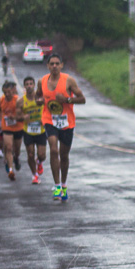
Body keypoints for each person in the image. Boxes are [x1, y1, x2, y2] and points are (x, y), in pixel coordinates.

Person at [37, 53, 85, 201]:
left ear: (62, 65)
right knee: (53, 149)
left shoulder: (68, 81)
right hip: (49, 119)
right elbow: (38, 96)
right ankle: (57, 186)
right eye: (52, 64)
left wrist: (67, 99)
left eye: (57, 63)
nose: (55, 66)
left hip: (66, 122)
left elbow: (82, 99)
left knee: (64, 155)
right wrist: (39, 101)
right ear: (48, 66)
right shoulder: (42, 81)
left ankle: (64, 185)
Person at [20, 76, 46, 184]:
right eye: (27, 84)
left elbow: (48, 109)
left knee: (42, 155)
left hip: (41, 130)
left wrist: (44, 118)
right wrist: (23, 117)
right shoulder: (21, 101)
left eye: (31, 84)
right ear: (24, 86)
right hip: (28, 130)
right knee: (30, 154)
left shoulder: (41, 98)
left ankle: (39, 162)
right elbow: (17, 116)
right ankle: (34, 175)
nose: (29, 86)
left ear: (34, 85)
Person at [0, 81, 24, 180]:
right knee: (8, 147)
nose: (7, 94)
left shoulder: (18, 100)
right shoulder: (1, 100)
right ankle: (11, 170)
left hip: (18, 127)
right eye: (5, 92)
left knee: (16, 150)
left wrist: (15, 117)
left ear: (13, 91)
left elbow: (23, 115)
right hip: (6, 127)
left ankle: (16, 158)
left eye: (9, 92)